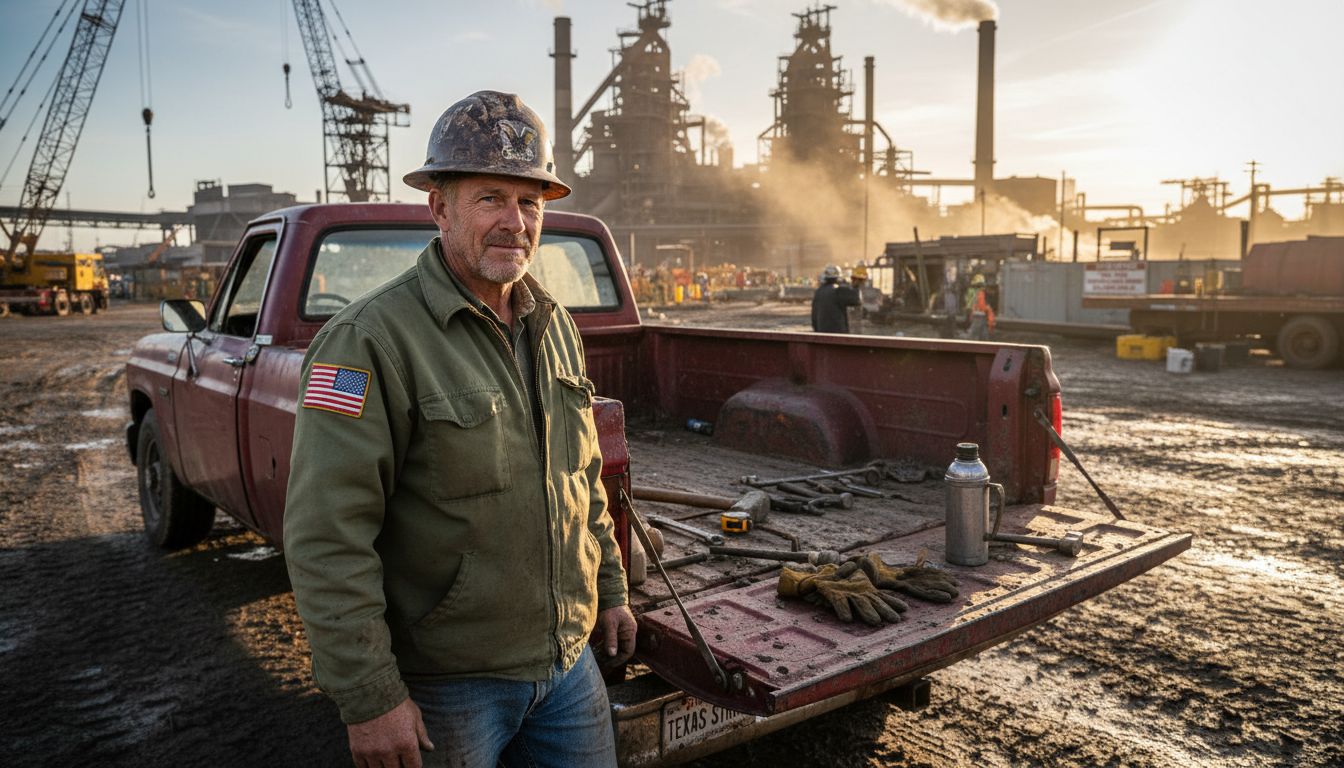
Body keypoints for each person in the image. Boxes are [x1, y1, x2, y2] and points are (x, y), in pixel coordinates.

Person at [283, 91, 636, 768]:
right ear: (439, 207)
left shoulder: (554, 325)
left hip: (566, 669)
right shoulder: (368, 342)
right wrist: (370, 695)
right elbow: (327, 535)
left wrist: (612, 593)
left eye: (530, 202)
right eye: (491, 198)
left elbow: (583, 482)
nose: (515, 222)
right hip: (450, 687)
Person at [811, 264, 860, 333]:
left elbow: (814, 316)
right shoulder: (838, 291)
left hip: (822, 333)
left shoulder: (818, 292)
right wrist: (856, 286)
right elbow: (856, 300)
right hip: (838, 334)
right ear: (839, 277)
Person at [963, 272, 996, 340]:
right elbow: (981, 305)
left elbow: (968, 300)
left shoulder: (973, 291)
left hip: (975, 313)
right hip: (978, 313)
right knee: (975, 334)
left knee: (979, 333)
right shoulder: (980, 292)